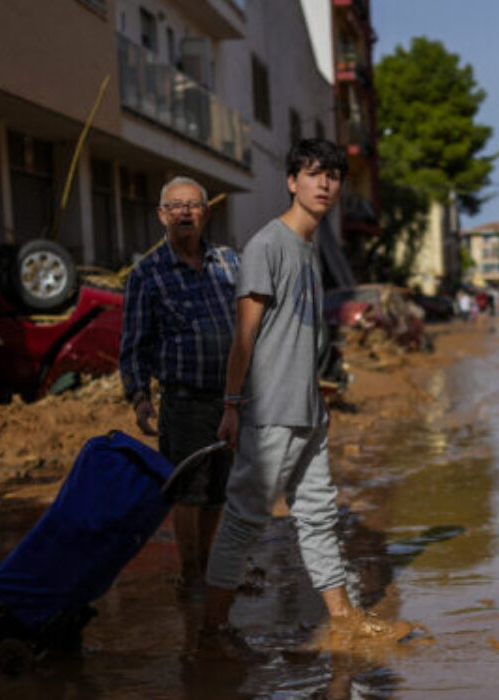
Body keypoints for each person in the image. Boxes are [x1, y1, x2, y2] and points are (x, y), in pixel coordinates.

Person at [200, 139, 413, 659]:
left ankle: (344, 621)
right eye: (313, 174)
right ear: (292, 181)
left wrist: (319, 399)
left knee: (319, 516)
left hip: (307, 409)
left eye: (333, 176)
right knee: (246, 517)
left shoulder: (309, 248)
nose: (325, 184)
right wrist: (232, 405)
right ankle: (210, 633)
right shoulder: (268, 245)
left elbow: (295, 338)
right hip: (270, 410)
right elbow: (245, 336)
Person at [119, 175, 239, 594]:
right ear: (161, 216)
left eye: (192, 205)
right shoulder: (146, 275)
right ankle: (190, 574)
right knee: (188, 490)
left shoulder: (229, 263)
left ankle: (206, 566)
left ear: (205, 214)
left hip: (232, 401)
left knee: (218, 489)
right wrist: (139, 399)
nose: (184, 212)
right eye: (175, 206)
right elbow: (134, 344)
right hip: (184, 401)